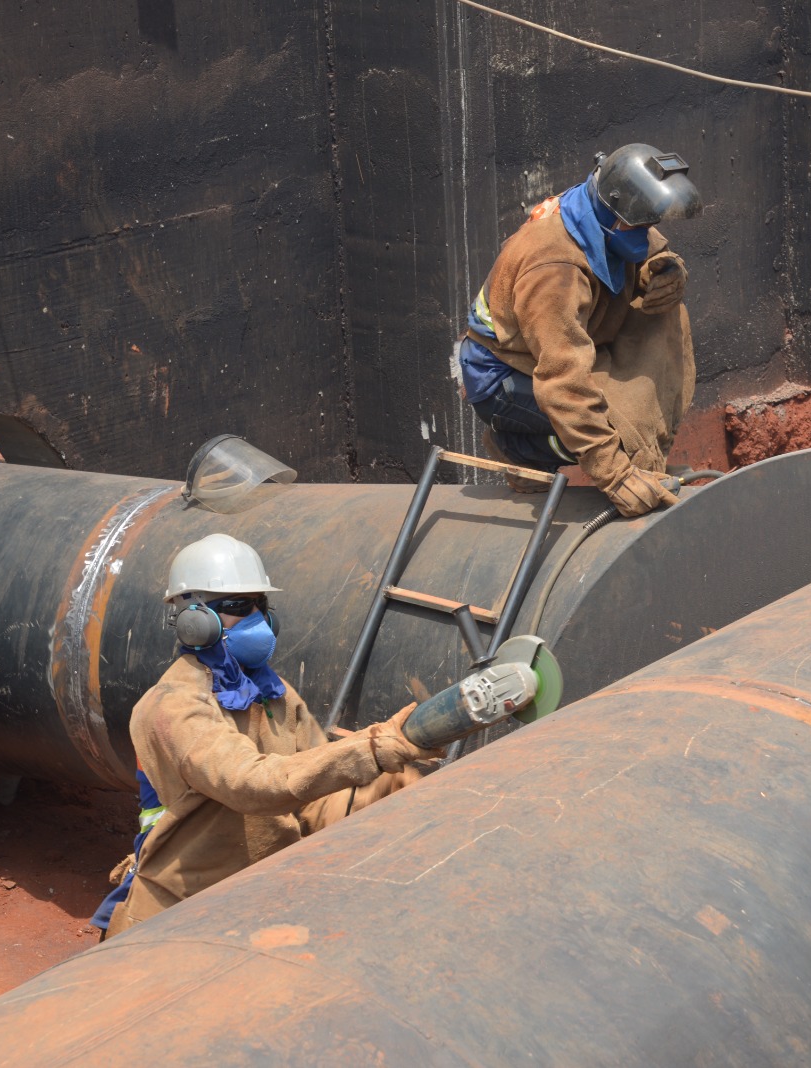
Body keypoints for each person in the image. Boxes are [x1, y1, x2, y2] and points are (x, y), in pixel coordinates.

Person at [92, 533, 439, 937]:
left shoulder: (273, 694)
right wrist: (373, 749)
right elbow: (251, 784)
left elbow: (316, 795)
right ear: (194, 618)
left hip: (259, 896)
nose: (259, 618)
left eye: (262, 605)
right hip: (179, 912)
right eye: (240, 607)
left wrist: (396, 785)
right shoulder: (173, 706)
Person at [460, 143, 702, 517]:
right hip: (507, 375)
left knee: (666, 312)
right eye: (640, 223)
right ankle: (518, 448)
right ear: (615, 207)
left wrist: (669, 270)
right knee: (611, 428)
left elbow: (650, 249)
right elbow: (562, 382)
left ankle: (643, 455)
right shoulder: (554, 268)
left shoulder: (601, 208)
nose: (646, 230)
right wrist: (616, 475)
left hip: (576, 342)